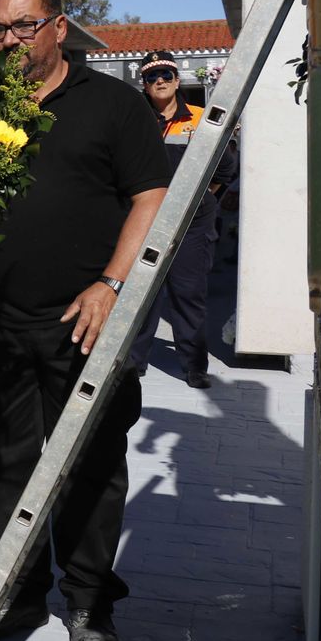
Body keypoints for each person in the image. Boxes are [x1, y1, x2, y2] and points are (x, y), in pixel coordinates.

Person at [0, 0, 169, 641]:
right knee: (1, 462)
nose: (9, 41)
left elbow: (151, 197)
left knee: (92, 462)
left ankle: (88, 600)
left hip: (86, 323)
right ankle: (17, 594)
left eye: (23, 27)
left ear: (59, 27)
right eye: (0, 28)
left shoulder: (112, 106)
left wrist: (112, 285)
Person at [128, 51, 237, 389]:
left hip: (192, 224)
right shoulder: (134, 121)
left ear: (177, 80)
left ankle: (193, 365)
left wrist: (201, 200)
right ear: (143, 84)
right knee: (142, 296)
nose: (159, 81)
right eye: (151, 76)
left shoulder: (202, 119)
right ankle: (133, 363)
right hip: (144, 221)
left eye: (165, 74)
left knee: (188, 294)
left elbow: (224, 168)